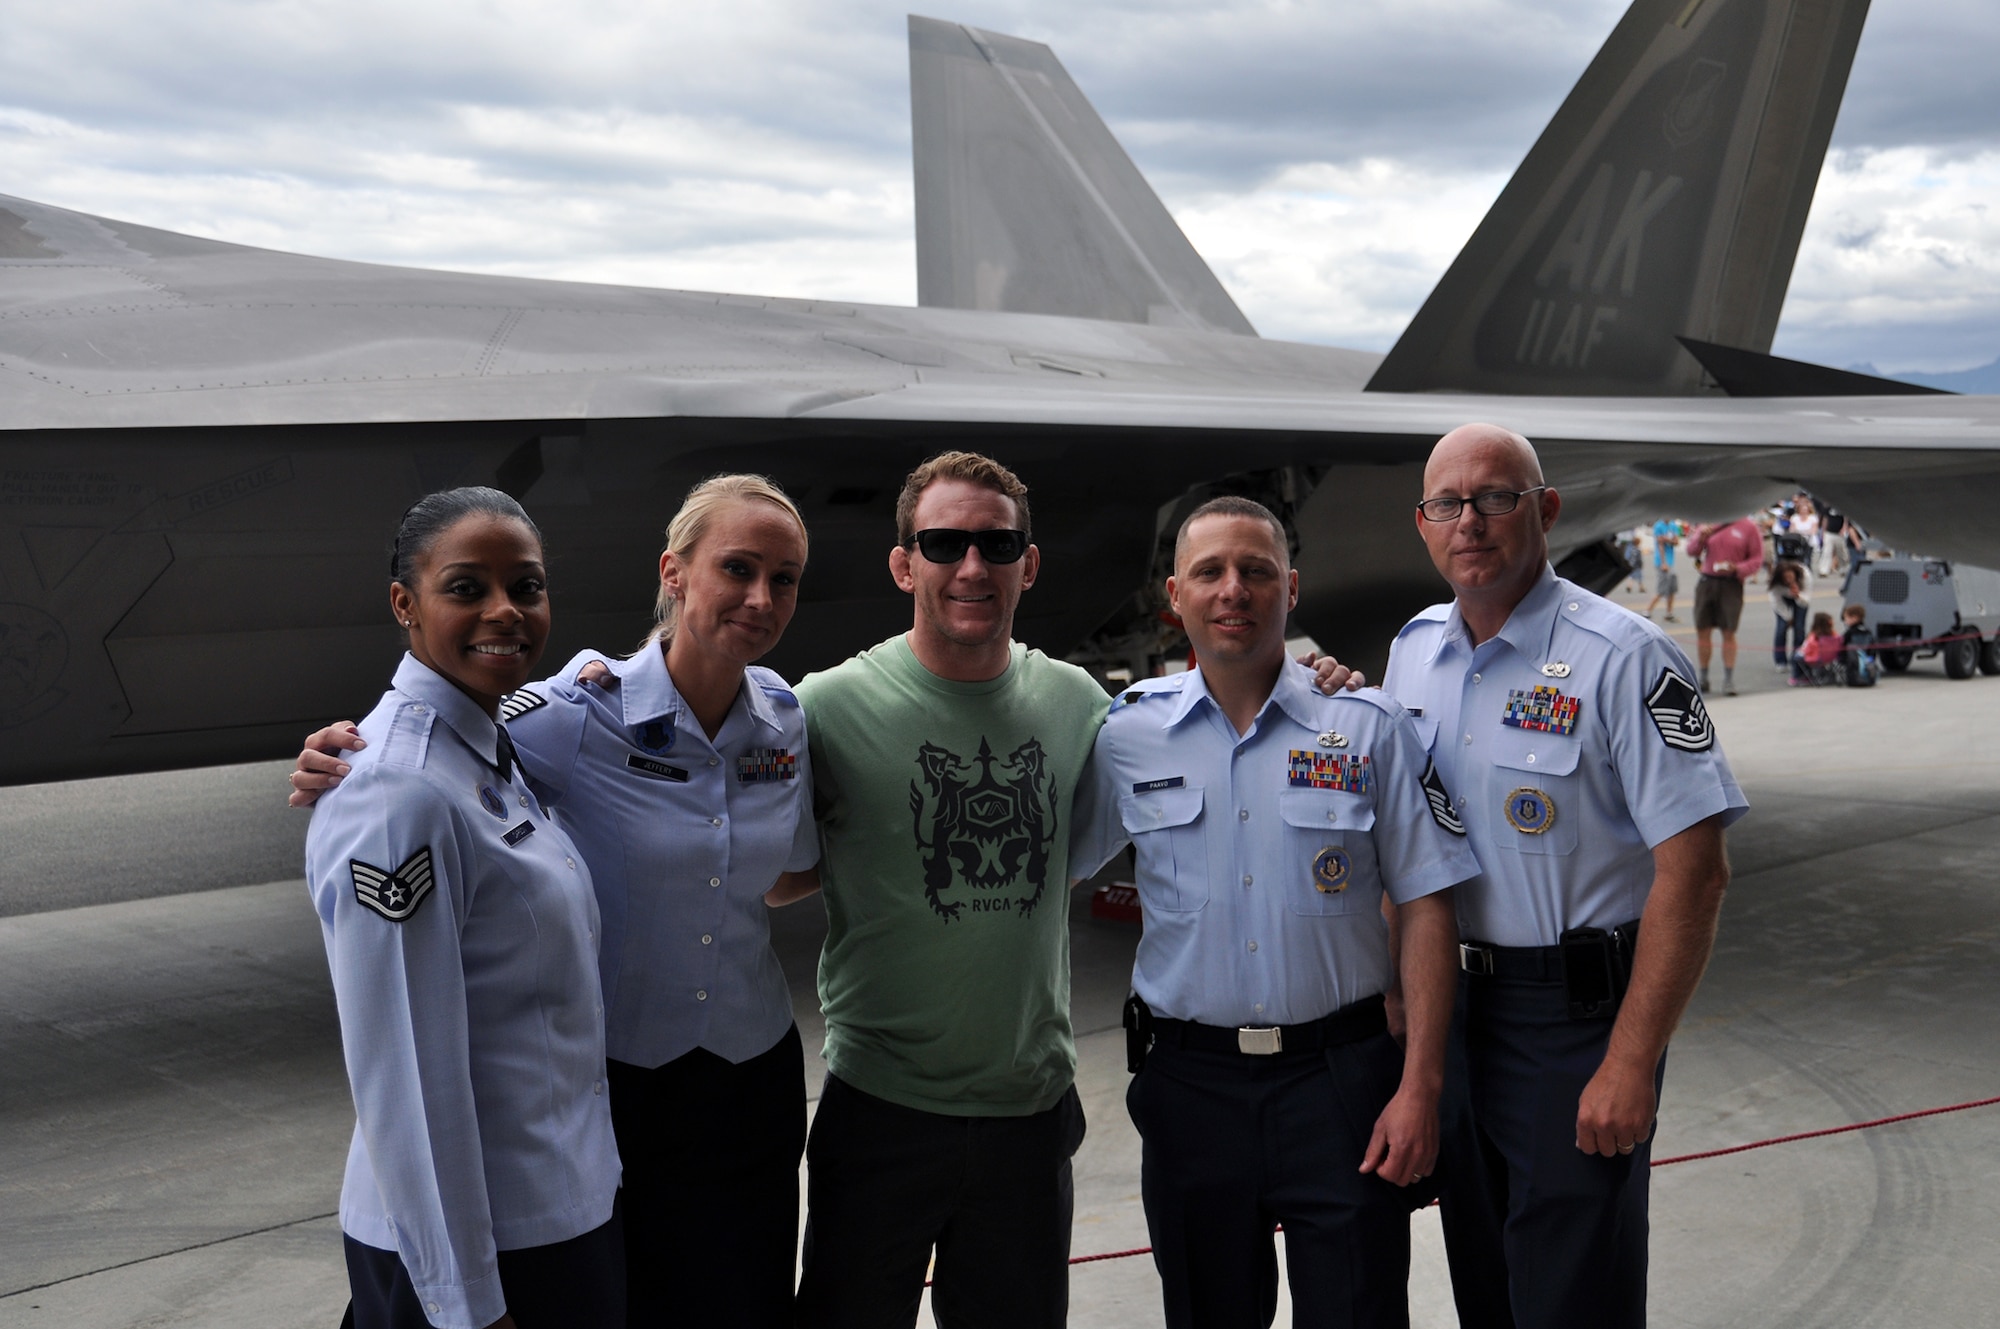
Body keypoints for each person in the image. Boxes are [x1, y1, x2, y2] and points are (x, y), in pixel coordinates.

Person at [293, 475, 819, 1329]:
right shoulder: (566, 715)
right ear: (675, 572)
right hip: (623, 1093)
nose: (762, 596)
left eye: (785, 576)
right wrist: (346, 759)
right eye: (737, 567)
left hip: (733, 1086)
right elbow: (414, 776)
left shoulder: (785, 720)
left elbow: (790, 869)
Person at [1070, 497, 1479, 1328]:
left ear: (1290, 589)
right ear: (1174, 594)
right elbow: (1048, 874)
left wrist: (1421, 1086)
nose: (1235, 590)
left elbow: (1429, 903)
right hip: (1191, 1088)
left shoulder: (1367, 726)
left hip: (1342, 1085)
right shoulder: (1125, 735)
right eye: (1212, 572)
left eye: (1257, 570)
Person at [1381, 424, 1747, 1329]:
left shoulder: (1623, 658)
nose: (1471, 521)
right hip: (1458, 1020)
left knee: (1573, 1293)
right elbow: (1405, 839)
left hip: (1576, 1026)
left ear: (1545, 509)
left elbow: (1695, 874)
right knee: (1485, 1281)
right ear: (1422, 524)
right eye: (1448, 504)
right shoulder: (1412, 653)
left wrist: (1629, 1062)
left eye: (1496, 497)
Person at [304, 487, 624, 1329]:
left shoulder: (483, 742)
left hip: (556, 1214)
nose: (505, 611)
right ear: (404, 603)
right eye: (466, 587)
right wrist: (465, 1304)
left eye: (527, 585)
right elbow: (407, 1073)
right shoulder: (398, 793)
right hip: (478, 1253)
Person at [1686, 513, 1765, 695]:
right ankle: (1703, 677)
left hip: (1731, 583)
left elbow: (1756, 559)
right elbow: (1691, 551)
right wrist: (1700, 538)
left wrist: (1738, 568)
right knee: (1703, 631)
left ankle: (1728, 680)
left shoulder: (1749, 527)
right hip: (1707, 582)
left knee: (1728, 632)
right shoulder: (1708, 522)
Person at [1769, 560, 1810, 669]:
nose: (1788, 580)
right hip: (1782, 600)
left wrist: (1798, 595)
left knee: (1799, 628)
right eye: (1785, 578)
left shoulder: (1805, 575)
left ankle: (1797, 659)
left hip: (1800, 598)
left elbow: (1806, 600)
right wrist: (1788, 617)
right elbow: (1776, 603)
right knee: (1781, 629)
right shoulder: (1776, 584)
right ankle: (1780, 660)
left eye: (1790, 576)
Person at [1789, 611, 1843, 685]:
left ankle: (1798, 676)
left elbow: (1806, 649)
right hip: (1831, 657)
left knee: (1795, 656)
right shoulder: (1834, 635)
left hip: (1815, 658)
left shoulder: (1814, 637)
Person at [1644, 518, 1680, 622]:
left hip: (1671, 561)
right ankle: (1647, 611)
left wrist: (1666, 539)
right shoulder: (1659, 526)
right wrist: (1663, 563)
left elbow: (1676, 541)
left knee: (1672, 589)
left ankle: (1669, 613)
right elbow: (1660, 545)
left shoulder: (1673, 525)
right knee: (1662, 589)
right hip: (1661, 561)